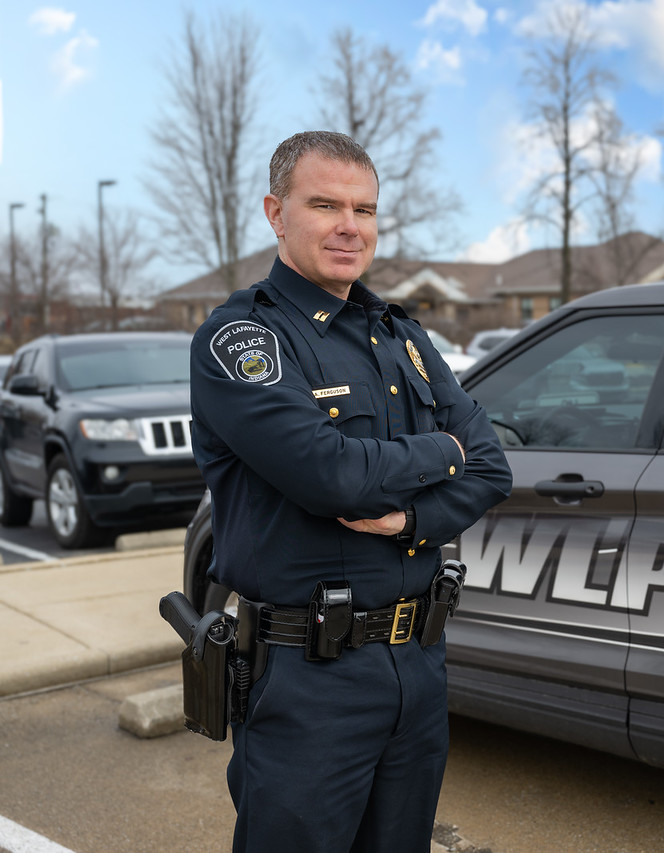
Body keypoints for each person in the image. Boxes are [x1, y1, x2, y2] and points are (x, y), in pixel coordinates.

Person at [189, 130, 512, 853]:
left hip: (419, 663)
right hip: (309, 676)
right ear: (276, 213)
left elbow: (492, 468)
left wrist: (409, 518)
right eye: (325, 204)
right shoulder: (244, 339)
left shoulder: (402, 336)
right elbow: (326, 471)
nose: (349, 226)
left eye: (364, 210)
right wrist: (442, 449)